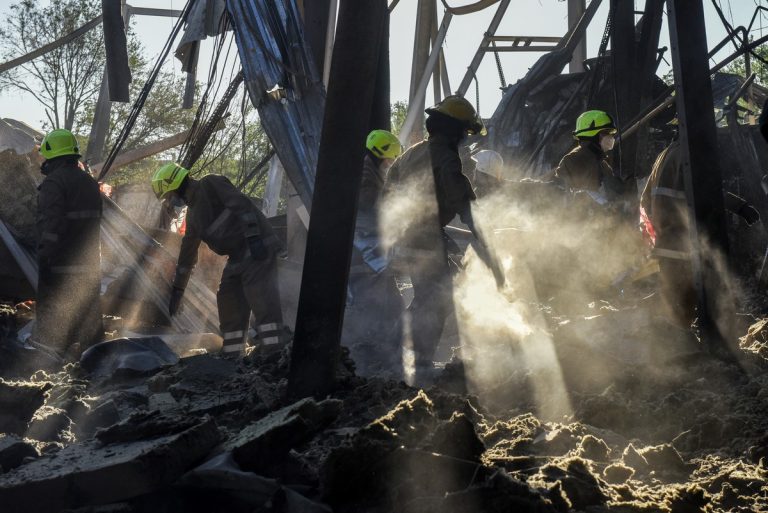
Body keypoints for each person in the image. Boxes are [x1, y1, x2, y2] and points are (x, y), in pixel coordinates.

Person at [386, 95, 501, 373]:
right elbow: (463, 204)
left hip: (406, 233)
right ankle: (420, 361)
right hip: (422, 236)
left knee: (429, 294)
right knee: (439, 297)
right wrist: (490, 256)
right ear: (454, 130)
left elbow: (389, 190)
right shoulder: (446, 157)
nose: (466, 139)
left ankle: (392, 346)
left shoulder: (412, 152)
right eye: (465, 132)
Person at [151, 164, 286, 355]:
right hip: (237, 257)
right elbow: (186, 257)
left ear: (176, 185)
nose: (169, 202)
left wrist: (255, 237)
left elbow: (242, 204)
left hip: (256, 246)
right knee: (228, 299)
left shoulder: (211, 184)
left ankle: (274, 353)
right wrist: (177, 291)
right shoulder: (193, 217)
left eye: (168, 195)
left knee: (261, 297)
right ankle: (232, 355)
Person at [640, 140, 759, 327]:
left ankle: (673, 344)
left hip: (667, 244)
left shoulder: (664, 156)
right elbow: (707, 192)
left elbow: (645, 200)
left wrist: (660, 229)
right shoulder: (686, 155)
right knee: (684, 303)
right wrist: (741, 207)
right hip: (683, 245)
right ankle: (687, 349)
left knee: (672, 301)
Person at [34, 129, 103, 357]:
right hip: (90, 265)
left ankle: (47, 365)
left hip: (61, 265)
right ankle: (93, 370)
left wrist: (45, 257)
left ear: (53, 156)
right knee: (89, 323)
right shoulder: (90, 183)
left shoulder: (54, 183)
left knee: (53, 323)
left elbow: (51, 225)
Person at [345, 129, 404, 373]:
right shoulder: (367, 176)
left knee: (388, 302)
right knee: (384, 304)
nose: (390, 164)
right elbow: (368, 208)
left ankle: (378, 353)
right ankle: (374, 357)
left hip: (364, 250)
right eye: (389, 159)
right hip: (366, 250)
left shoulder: (362, 168)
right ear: (381, 154)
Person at [555, 110, 618, 199]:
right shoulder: (572, 160)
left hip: (600, 212)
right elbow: (561, 195)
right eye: (605, 133)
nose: (610, 137)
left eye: (610, 134)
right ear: (592, 135)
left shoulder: (603, 164)